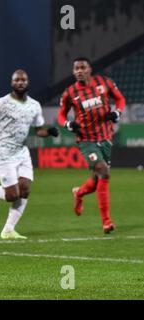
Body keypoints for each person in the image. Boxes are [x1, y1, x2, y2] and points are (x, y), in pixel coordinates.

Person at [0, 70, 59, 239]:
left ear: (28, 83)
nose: (20, 82)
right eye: (17, 80)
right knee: (12, 195)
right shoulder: (2, 102)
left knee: (25, 190)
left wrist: (49, 132)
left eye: (23, 80)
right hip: (2, 150)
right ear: (12, 83)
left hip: (21, 151)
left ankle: (8, 230)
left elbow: (38, 130)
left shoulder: (34, 105)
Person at [57, 57, 125, 233]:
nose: (79, 71)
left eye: (82, 67)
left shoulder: (104, 83)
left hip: (106, 137)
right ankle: (106, 221)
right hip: (86, 140)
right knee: (103, 171)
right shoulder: (70, 93)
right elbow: (61, 116)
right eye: (76, 68)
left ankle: (79, 193)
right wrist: (68, 124)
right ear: (73, 72)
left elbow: (120, 99)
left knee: (97, 182)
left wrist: (117, 112)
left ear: (89, 69)